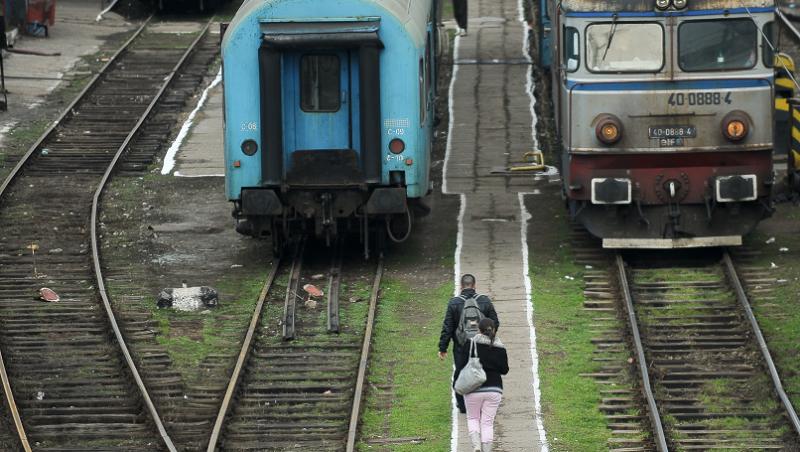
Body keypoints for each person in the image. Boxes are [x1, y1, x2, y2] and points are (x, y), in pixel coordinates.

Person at [438, 274, 499, 413]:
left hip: (461, 346)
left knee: (460, 373)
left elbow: (447, 327)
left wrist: (443, 347)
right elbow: (495, 322)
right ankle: (484, 404)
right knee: (485, 372)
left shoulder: (453, 303)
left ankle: (463, 406)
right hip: (482, 345)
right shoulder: (484, 301)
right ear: (474, 285)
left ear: (461, 286)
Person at [462, 318, 508, 452]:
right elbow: (504, 370)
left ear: (479, 330)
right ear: (493, 330)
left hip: (473, 387)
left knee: (473, 418)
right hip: (494, 388)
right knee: (487, 423)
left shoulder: (470, 344)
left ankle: (476, 446)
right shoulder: (500, 347)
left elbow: (463, 363)